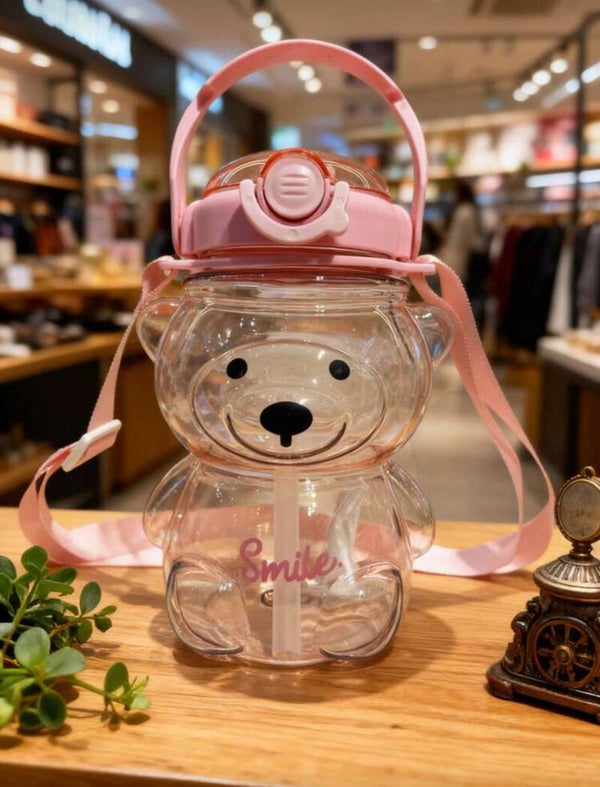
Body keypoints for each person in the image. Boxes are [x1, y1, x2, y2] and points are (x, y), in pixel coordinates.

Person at [440, 180, 489, 329]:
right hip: (460, 259)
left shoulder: (463, 211)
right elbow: (474, 241)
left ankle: (456, 328)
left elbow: (463, 239)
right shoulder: (469, 211)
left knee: (456, 298)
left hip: (458, 259)